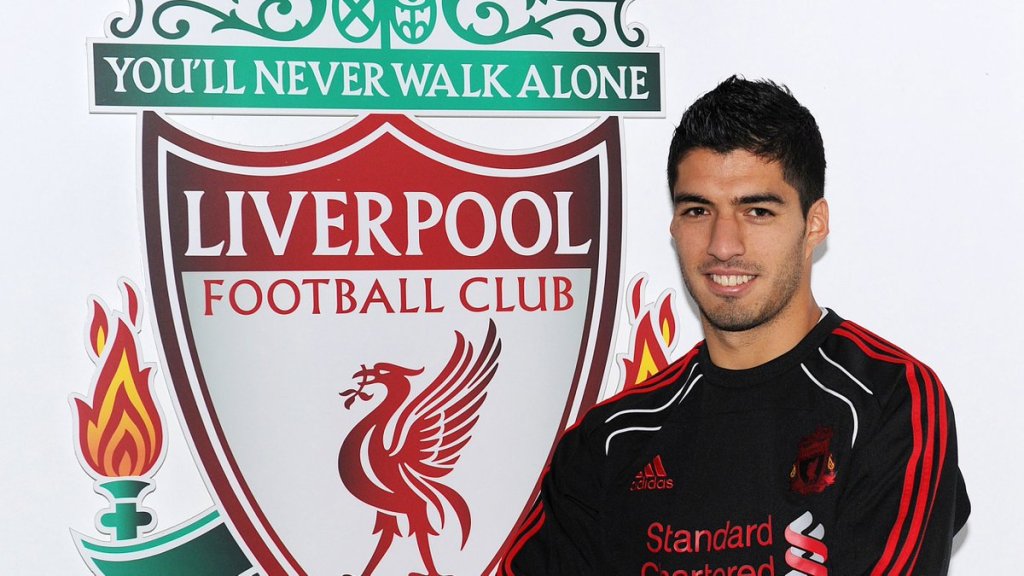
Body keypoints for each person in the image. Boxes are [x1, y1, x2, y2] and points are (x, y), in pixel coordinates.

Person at [501, 76, 970, 576]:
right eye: (698, 210)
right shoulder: (612, 439)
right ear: (674, 226)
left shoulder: (889, 400)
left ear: (814, 224)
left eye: (757, 211)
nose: (723, 245)